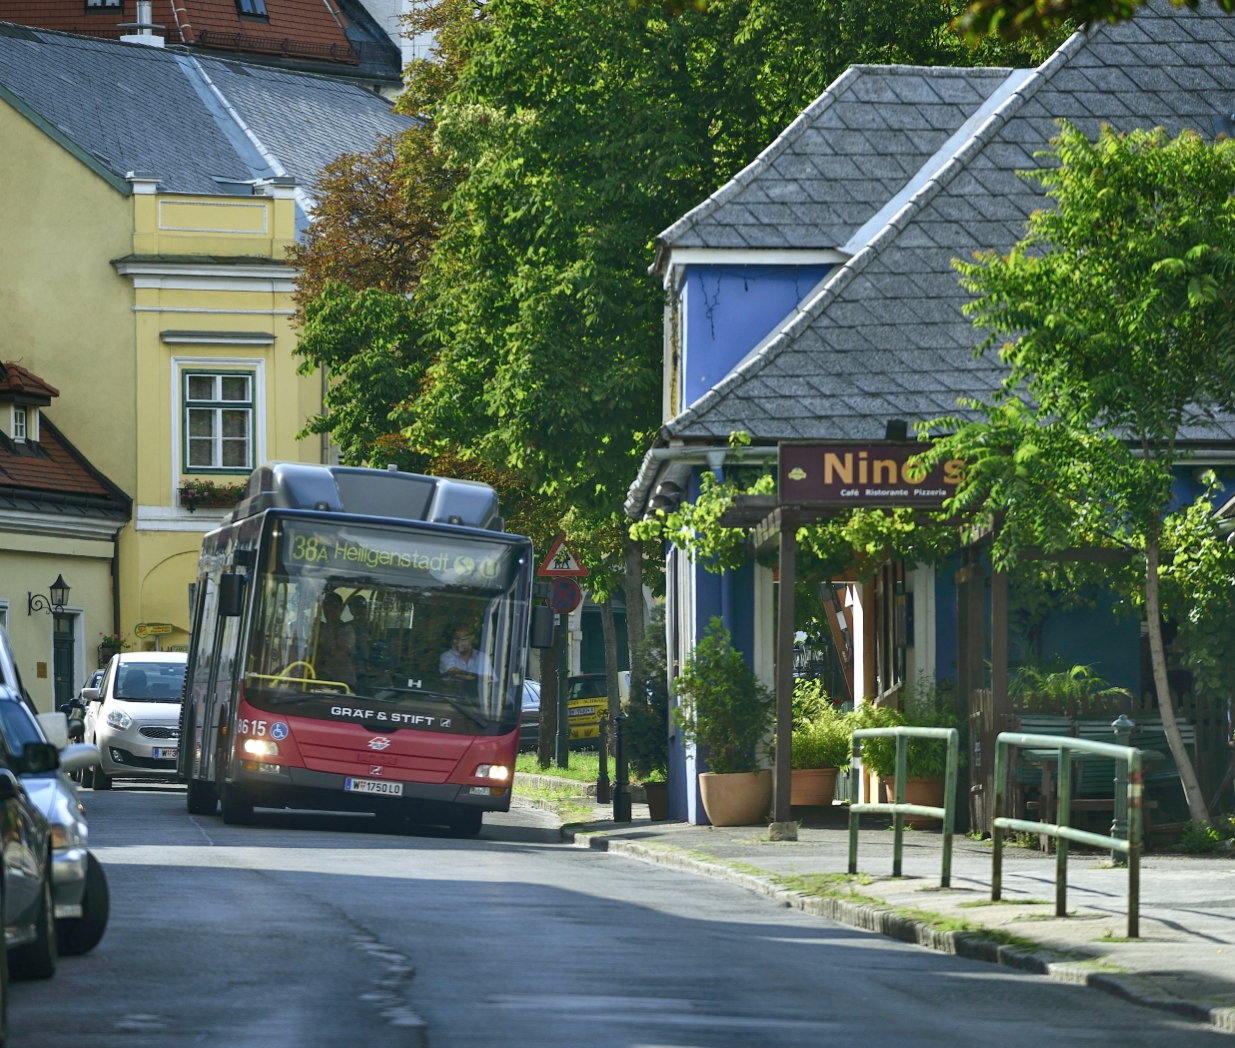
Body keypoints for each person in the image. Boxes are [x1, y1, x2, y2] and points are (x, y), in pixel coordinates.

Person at [315, 592, 356, 687]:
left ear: (340, 608)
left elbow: (339, 654)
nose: (330, 609)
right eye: (327, 605)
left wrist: (322, 668)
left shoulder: (347, 630)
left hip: (342, 680)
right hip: (320, 677)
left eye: (334, 606)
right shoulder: (320, 628)